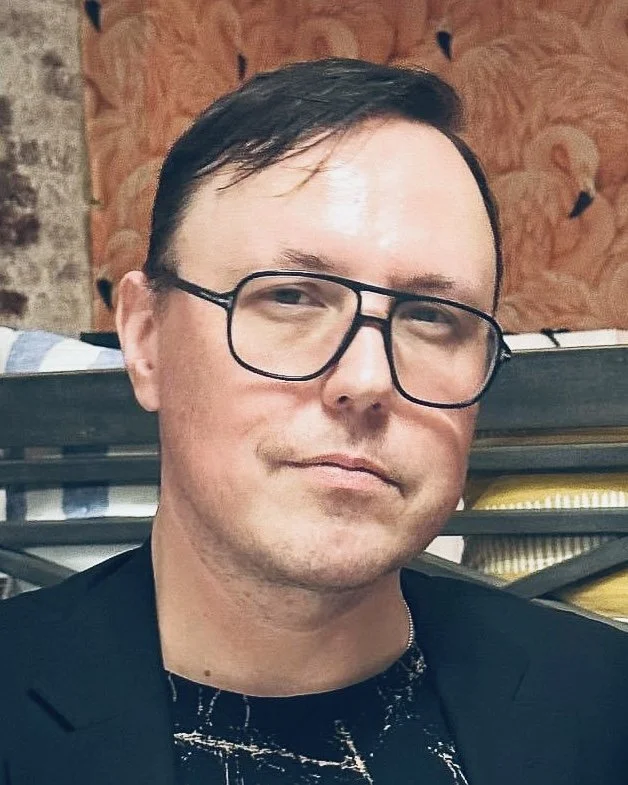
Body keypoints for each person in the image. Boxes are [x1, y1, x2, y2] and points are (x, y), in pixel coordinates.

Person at [0, 58, 626, 785]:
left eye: (432, 317)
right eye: (292, 297)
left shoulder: (603, 711)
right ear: (146, 340)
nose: (366, 380)